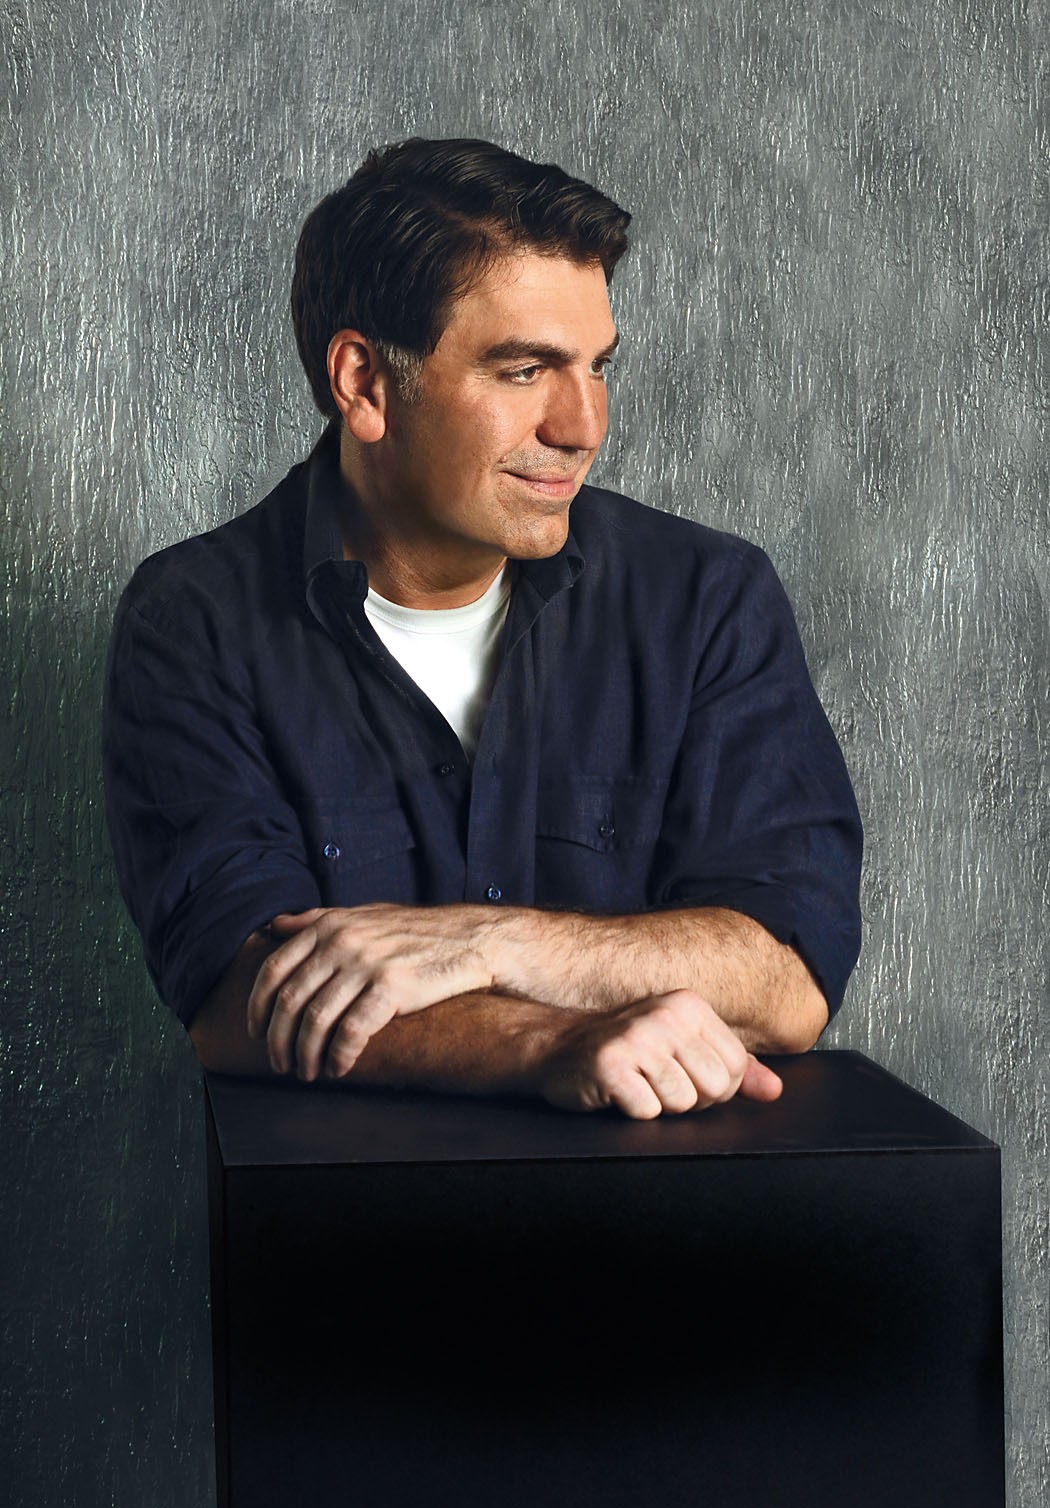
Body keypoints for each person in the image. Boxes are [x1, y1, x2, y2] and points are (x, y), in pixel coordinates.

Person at [103, 136, 862, 1120]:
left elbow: (786, 976)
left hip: (667, 1207)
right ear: (364, 384)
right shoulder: (194, 619)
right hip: (343, 1211)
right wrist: (554, 1040)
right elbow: (242, 995)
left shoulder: (707, 597)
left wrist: (493, 945)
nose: (582, 425)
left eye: (597, 367)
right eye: (524, 370)